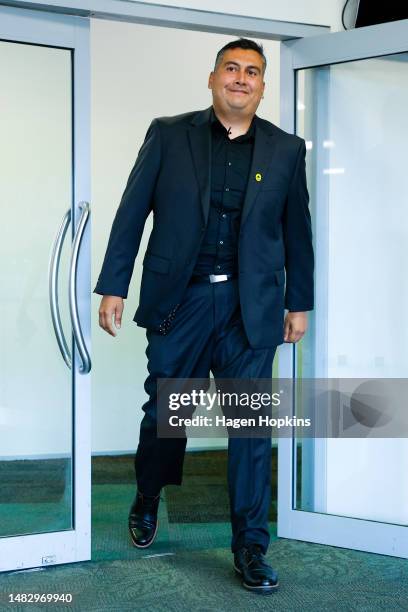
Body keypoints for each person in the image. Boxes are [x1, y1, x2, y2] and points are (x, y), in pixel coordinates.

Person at [94, 38, 314, 595]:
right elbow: (131, 211)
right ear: (212, 78)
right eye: (232, 69)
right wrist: (113, 286)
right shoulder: (169, 134)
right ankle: (149, 495)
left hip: (252, 305)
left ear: (263, 86)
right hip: (183, 299)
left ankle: (250, 546)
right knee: (169, 412)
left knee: (250, 428)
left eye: (253, 73)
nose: (241, 79)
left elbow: (297, 232)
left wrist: (299, 301)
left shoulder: (287, 150)